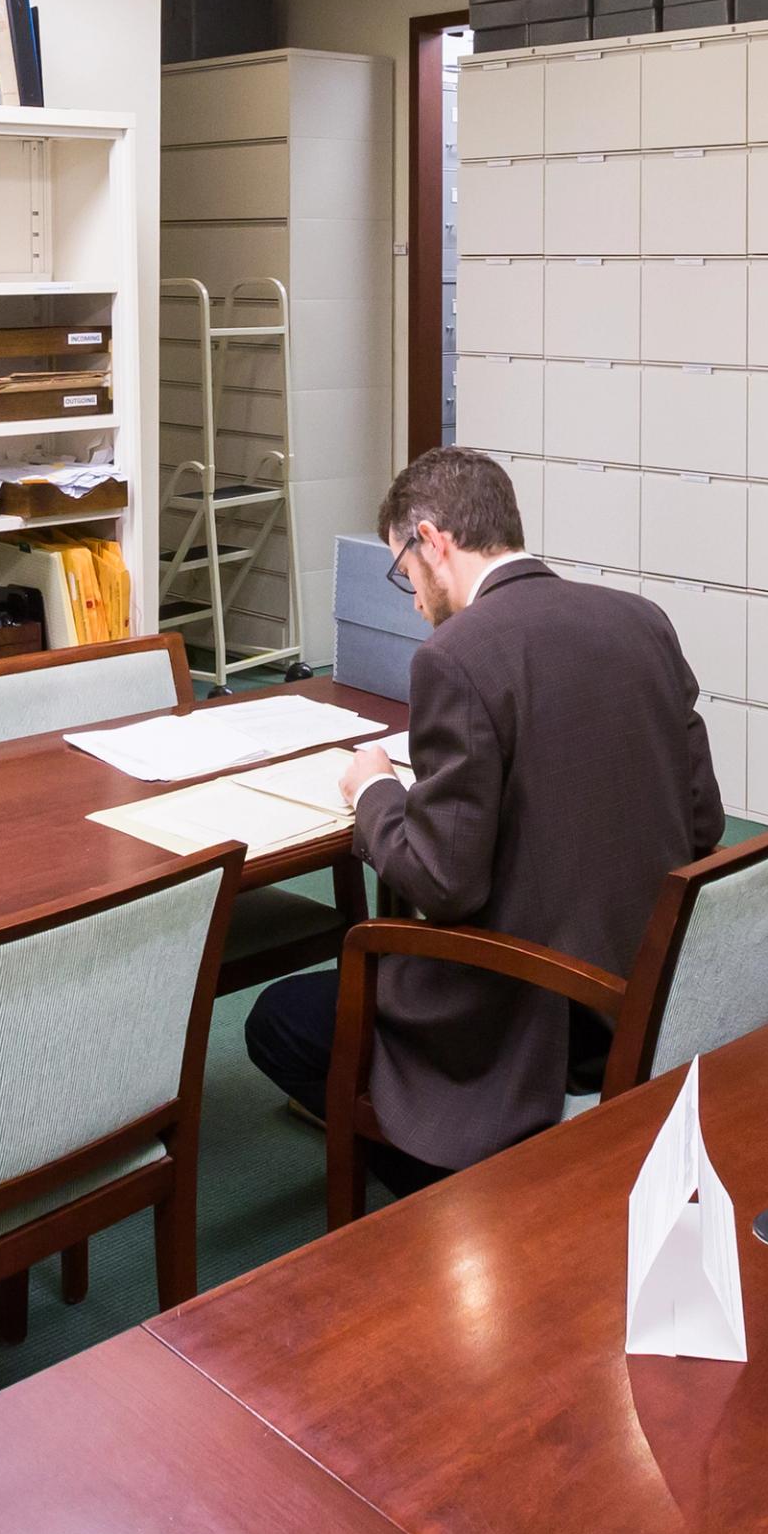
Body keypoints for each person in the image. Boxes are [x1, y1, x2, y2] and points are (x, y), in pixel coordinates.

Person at [242, 447, 722, 1198]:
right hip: (649, 992)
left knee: (279, 1017)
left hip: (532, 1018)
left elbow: (444, 883)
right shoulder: (642, 622)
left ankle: (476, 1191)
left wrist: (375, 793)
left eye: (404, 569)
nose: (411, 599)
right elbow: (703, 822)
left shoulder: (457, 657)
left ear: (433, 541)